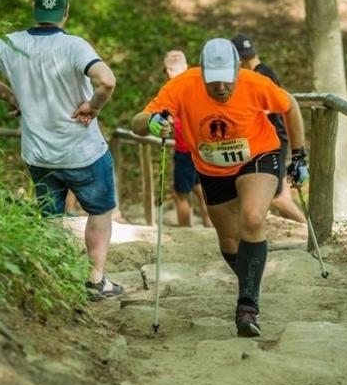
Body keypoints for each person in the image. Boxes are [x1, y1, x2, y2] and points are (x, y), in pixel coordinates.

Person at [131, 38, 309, 337]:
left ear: (238, 70)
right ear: (201, 73)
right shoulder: (182, 86)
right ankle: (250, 282)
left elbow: (289, 105)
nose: (221, 88)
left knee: (252, 218)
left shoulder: (255, 83)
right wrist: (151, 123)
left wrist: (300, 154)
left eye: (227, 80)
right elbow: (138, 121)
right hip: (212, 168)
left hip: (259, 155)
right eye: (214, 82)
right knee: (229, 240)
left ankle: (247, 307)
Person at [0, 0, 125, 302]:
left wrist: (6, 95)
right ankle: (95, 280)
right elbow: (106, 80)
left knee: (50, 216)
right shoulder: (73, 45)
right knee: (100, 211)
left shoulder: (10, 43)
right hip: (84, 152)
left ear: (34, 8)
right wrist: (92, 106)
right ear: (66, 10)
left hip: (38, 154)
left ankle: (55, 279)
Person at [230, 33, 307, 225]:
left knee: (277, 196)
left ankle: (307, 227)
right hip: (277, 136)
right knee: (283, 193)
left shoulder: (259, 75)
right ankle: (301, 228)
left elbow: (265, 109)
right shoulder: (266, 70)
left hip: (273, 139)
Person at [162, 50, 212, 228]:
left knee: (180, 194)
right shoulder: (198, 84)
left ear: (168, 70)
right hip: (203, 147)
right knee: (200, 188)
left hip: (185, 149)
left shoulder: (172, 89)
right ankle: (209, 226)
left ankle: (185, 231)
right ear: (185, 67)